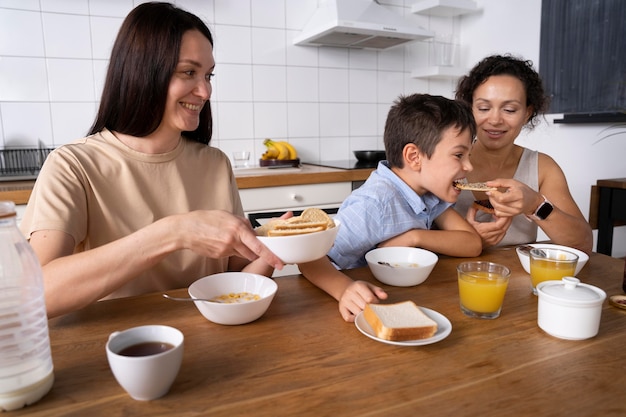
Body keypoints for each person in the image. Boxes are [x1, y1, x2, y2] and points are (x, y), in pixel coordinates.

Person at [19, 2, 283, 319]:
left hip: (213, 343)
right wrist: (173, 232)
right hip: (119, 352)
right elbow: (34, 295)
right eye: (189, 72)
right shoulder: (72, 165)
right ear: (142, 71)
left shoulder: (215, 164)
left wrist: (277, 248)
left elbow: (236, 274)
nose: (205, 90)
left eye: (208, 75)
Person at [298, 94, 482, 322]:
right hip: (361, 310)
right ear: (414, 157)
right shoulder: (375, 203)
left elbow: (472, 243)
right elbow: (309, 257)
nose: (469, 165)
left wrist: (414, 237)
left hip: (406, 299)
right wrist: (344, 290)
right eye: (459, 155)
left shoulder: (428, 193)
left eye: (469, 155)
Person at [453, 54, 593, 253]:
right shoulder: (448, 161)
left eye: (509, 110)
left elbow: (583, 244)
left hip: (520, 280)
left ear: (527, 113)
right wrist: (470, 242)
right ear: (470, 109)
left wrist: (535, 205)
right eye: (483, 108)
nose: (495, 119)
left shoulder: (542, 167)